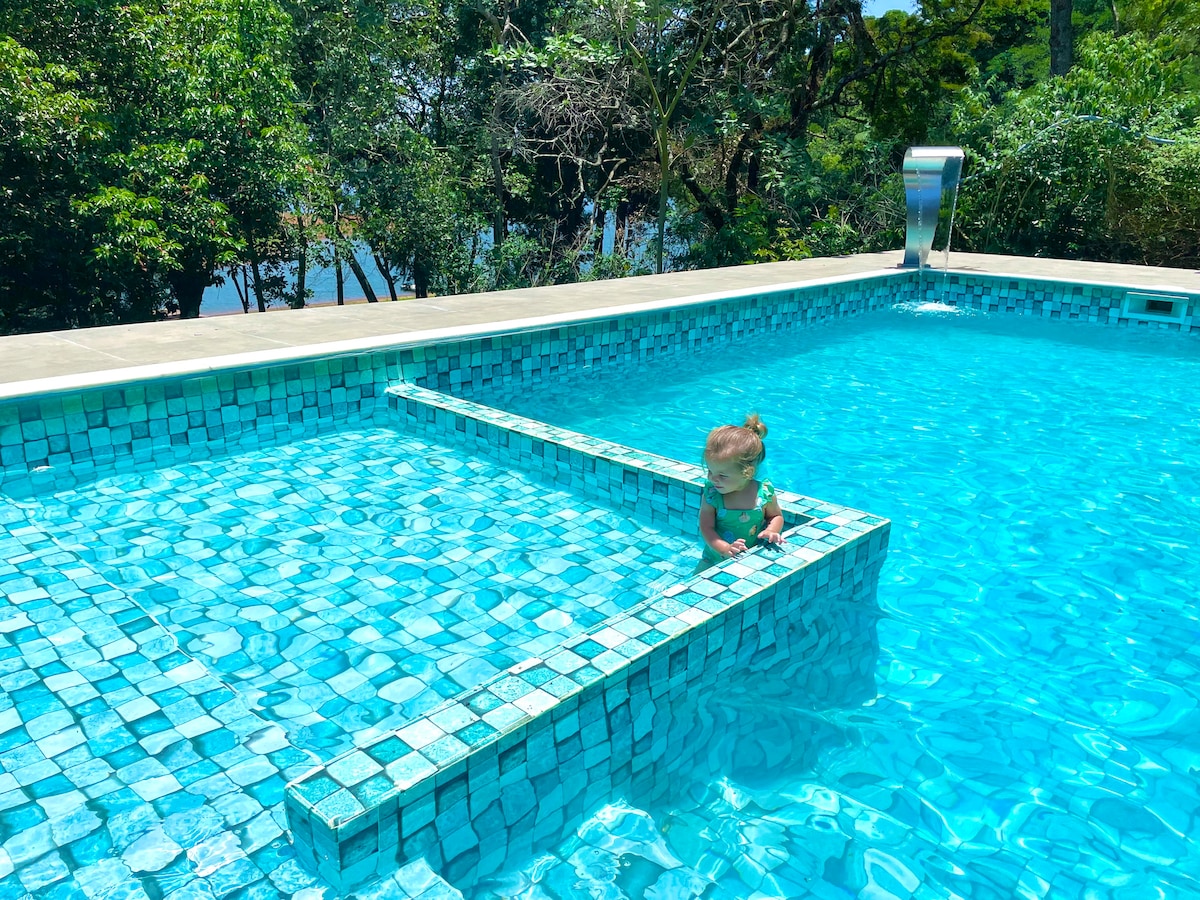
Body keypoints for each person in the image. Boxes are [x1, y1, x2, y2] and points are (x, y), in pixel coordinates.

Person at [697, 413, 786, 569]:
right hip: (714, 558)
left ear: (748, 472)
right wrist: (724, 548)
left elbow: (776, 516)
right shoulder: (712, 495)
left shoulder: (764, 493)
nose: (713, 478)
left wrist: (772, 530)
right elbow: (706, 527)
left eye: (722, 475)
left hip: (750, 560)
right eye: (710, 471)